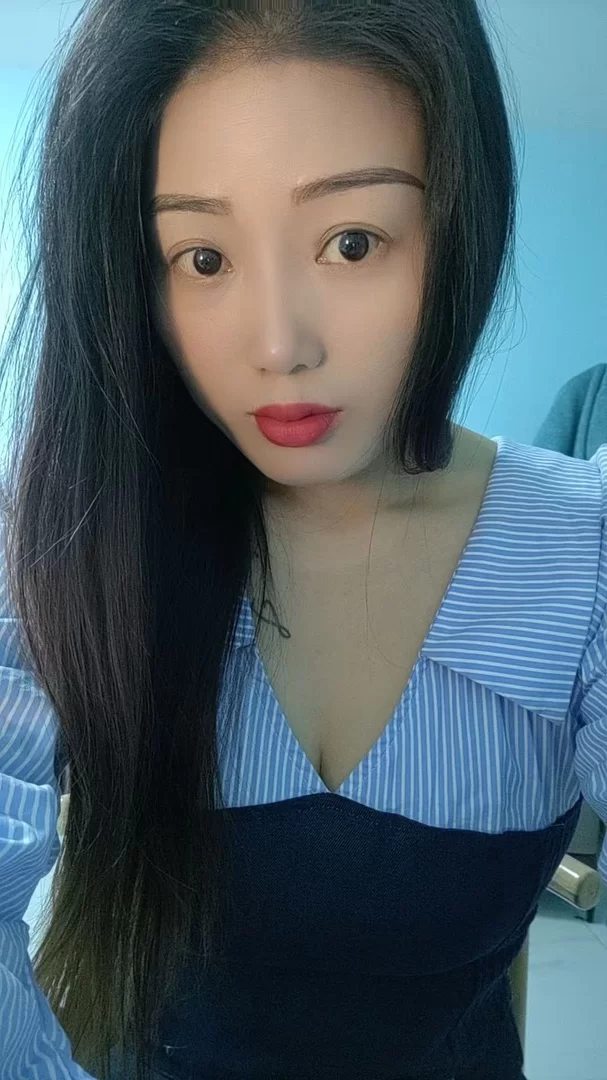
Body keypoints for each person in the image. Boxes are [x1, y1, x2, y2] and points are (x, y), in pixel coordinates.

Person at [0, 2, 605, 1078]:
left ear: (457, 223)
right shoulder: (70, 535)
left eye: (351, 242)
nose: (279, 346)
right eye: (201, 258)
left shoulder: (581, 551)